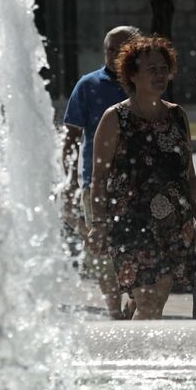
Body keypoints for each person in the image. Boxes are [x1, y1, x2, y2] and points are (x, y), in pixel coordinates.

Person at [86, 36, 196, 320]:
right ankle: (135, 359)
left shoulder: (177, 115)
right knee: (149, 302)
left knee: (153, 301)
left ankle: (134, 345)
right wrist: (98, 224)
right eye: (151, 69)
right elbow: (99, 177)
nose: (160, 74)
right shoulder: (115, 118)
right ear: (133, 74)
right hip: (131, 225)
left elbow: (189, 174)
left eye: (163, 68)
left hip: (173, 227)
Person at [62, 25, 139, 320]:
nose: (113, 55)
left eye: (120, 49)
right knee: (103, 249)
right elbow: (70, 137)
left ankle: (136, 304)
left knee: (138, 247)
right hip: (96, 182)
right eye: (109, 49)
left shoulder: (143, 84)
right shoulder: (88, 85)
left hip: (138, 183)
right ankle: (113, 310)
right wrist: (70, 180)